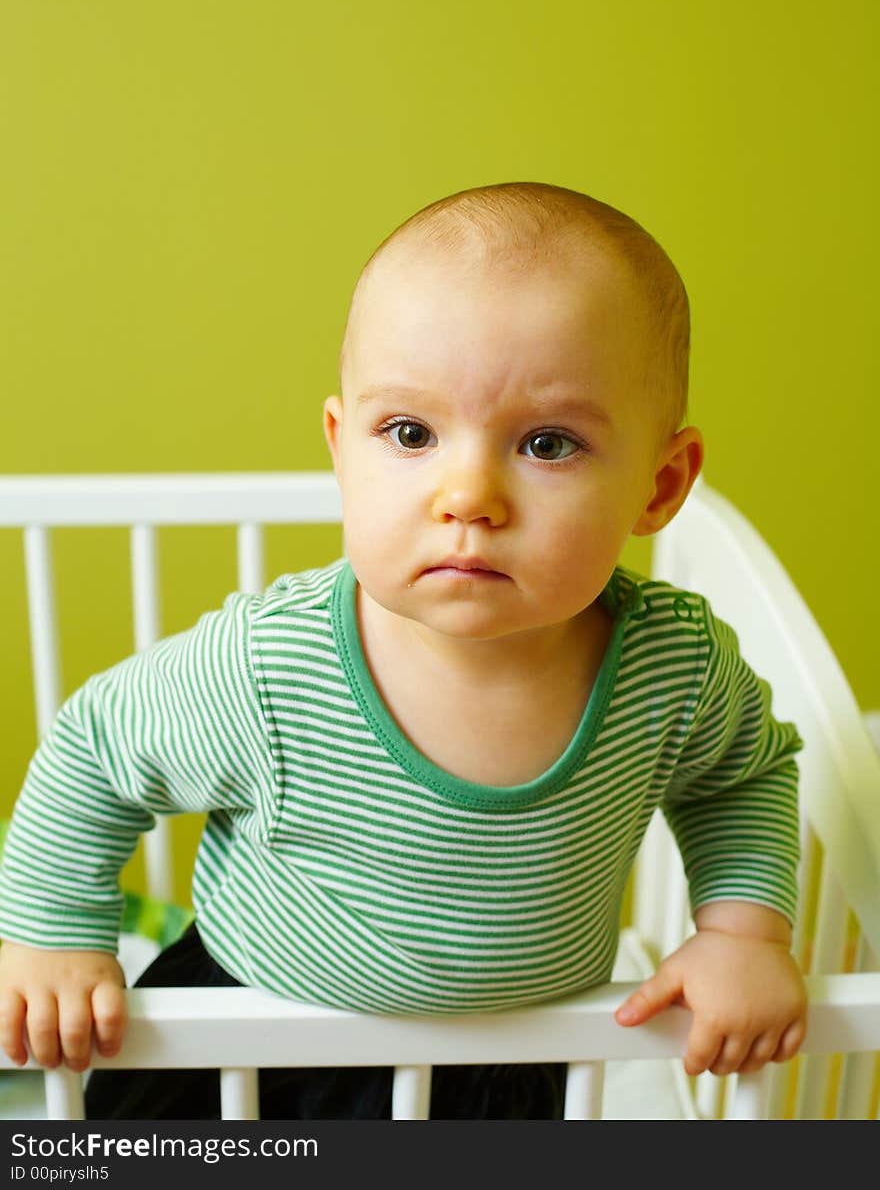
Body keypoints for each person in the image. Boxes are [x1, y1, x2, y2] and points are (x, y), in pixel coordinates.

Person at [0, 181, 807, 1119]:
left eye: (548, 443)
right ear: (344, 450)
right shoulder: (272, 665)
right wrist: (52, 935)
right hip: (250, 1040)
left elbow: (742, 775)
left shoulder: (672, 670)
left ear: (660, 486)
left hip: (507, 1063)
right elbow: (95, 751)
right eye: (411, 432)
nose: (469, 494)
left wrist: (742, 931)